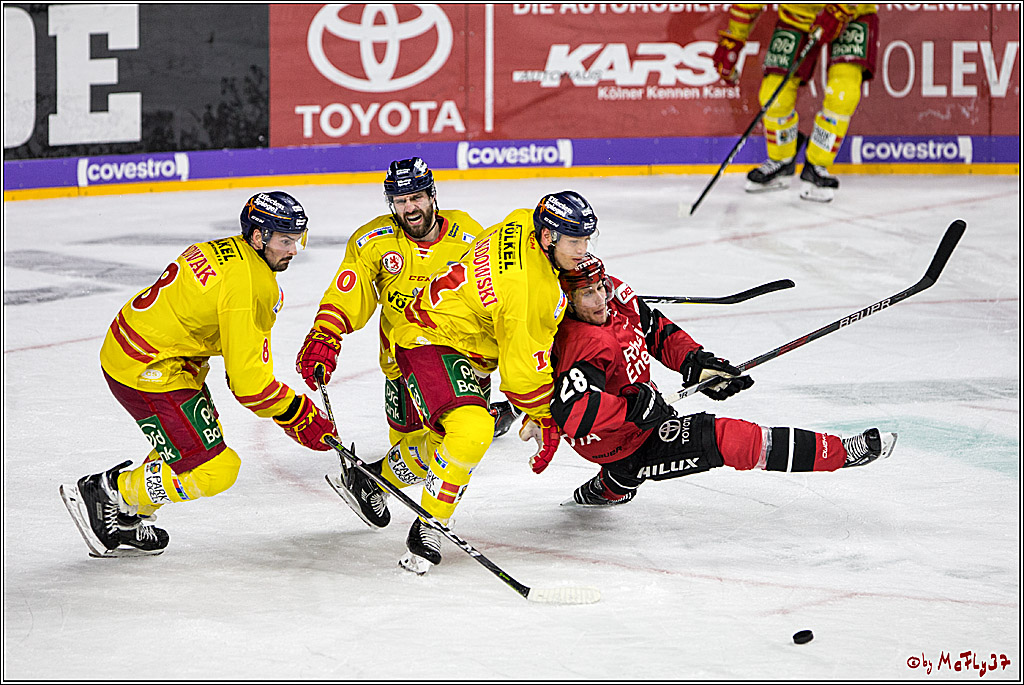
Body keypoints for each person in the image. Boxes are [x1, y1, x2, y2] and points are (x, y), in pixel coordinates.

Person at [60, 191, 337, 557]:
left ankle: (129, 515)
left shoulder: (224, 249)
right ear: (258, 237)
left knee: (194, 445)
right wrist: (296, 412)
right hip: (147, 368)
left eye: (297, 239)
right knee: (216, 469)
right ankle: (110, 492)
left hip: (151, 352)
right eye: (285, 241)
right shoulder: (250, 284)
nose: (294, 250)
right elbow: (249, 385)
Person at [349, 190, 597, 574]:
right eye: (575, 241)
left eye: (586, 240)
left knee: (446, 449)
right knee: (473, 430)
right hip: (431, 338)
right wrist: (545, 420)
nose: (583, 250)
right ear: (548, 238)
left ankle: (371, 479)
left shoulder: (520, 219)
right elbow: (521, 377)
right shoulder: (530, 294)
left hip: (449, 331)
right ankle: (430, 523)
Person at [545, 254, 897, 506]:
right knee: (729, 438)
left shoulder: (615, 299)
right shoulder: (583, 342)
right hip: (618, 441)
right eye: (588, 293)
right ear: (567, 301)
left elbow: (656, 331)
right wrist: (634, 409)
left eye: (602, 286)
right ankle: (840, 453)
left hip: (646, 417)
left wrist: (695, 363)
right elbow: (573, 413)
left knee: (628, 474)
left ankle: (615, 483)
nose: (601, 297)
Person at [295, 157, 520, 529]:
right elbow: (347, 292)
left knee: (456, 439)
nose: (409, 208)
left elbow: (495, 291)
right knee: (415, 447)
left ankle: (478, 421)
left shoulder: (468, 235)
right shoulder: (374, 242)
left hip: (464, 355)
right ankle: (481, 420)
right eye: (400, 201)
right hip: (403, 360)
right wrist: (325, 333)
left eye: (416, 197)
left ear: (432, 195)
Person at [712, 4, 879, 202]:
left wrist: (843, 7)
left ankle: (818, 165)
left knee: (842, 94)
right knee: (773, 95)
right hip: (797, 17)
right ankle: (781, 160)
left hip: (852, 16)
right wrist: (734, 38)